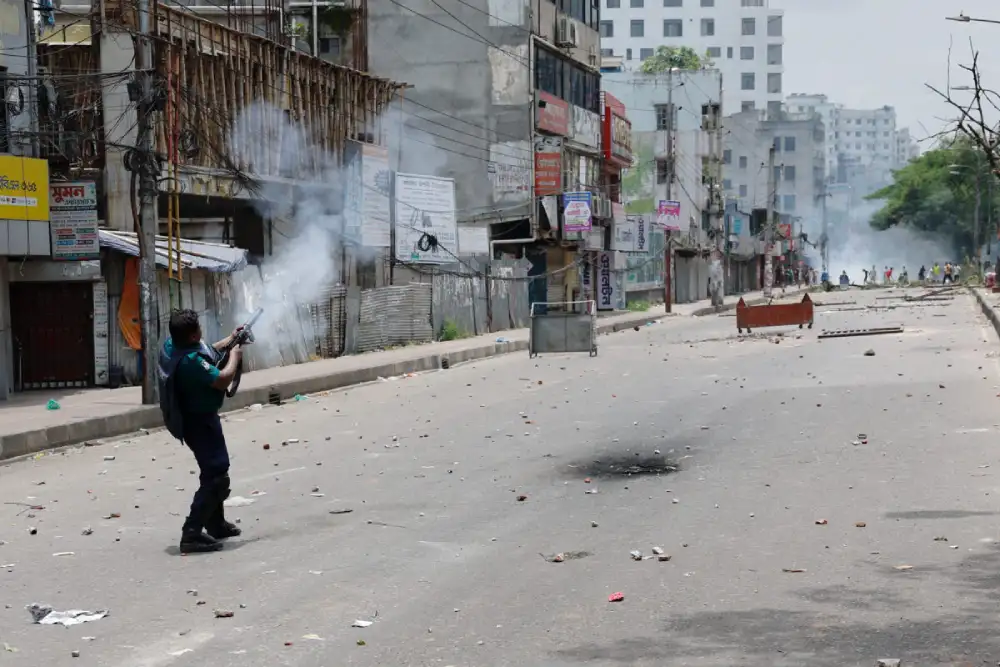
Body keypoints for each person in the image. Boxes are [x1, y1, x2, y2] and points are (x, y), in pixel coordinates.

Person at [159, 309, 246, 553]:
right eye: (198, 329)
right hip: (199, 422)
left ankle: (215, 523)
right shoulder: (191, 363)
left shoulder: (171, 346)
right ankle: (192, 532)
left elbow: (204, 350)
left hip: (194, 418)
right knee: (218, 475)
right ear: (192, 335)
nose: (201, 332)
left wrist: (231, 340)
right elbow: (222, 378)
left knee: (212, 470)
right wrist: (235, 356)